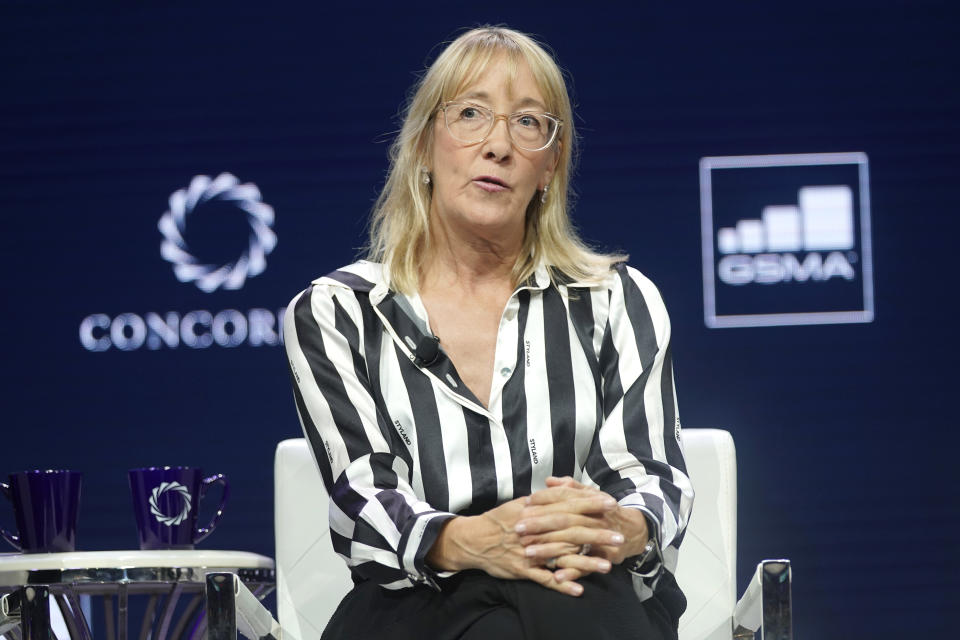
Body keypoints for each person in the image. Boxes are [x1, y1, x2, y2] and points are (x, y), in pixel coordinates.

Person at [283, 26, 694, 640]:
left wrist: (612, 526)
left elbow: (649, 473)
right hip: (419, 601)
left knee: (564, 598)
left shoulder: (617, 300)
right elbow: (366, 498)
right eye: (471, 114)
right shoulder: (339, 311)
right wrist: (475, 541)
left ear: (551, 165)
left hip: (584, 582)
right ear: (424, 145)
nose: (498, 145)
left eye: (529, 123)